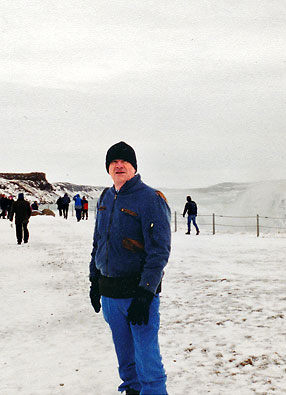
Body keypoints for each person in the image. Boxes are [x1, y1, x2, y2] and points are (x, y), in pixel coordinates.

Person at [89, 141, 170, 395]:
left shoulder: (150, 198)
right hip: (110, 294)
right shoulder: (105, 197)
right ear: (108, 168)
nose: (119, 165)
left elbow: (159, 251)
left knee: (147, 361)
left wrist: (146, 293)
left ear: (134, 167)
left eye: (125, 161)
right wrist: (94, 282)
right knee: (125, 359)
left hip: (138, 295)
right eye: (114, 161)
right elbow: (98, 242)